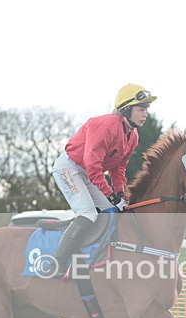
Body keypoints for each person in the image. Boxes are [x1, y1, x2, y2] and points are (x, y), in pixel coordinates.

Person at [45, 83, 157, 276]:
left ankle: (99, 258)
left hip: (89, 173)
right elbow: (93, 166)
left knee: (111, 212)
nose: (145, 114)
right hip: (69, 168)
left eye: (146, 110)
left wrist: (120, 194)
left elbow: (118, 168)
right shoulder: (105, 126)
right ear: (126, 110)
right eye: (141, 109)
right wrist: (110, 195)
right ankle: (57, 263)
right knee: (88, 213)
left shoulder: (133, 136)